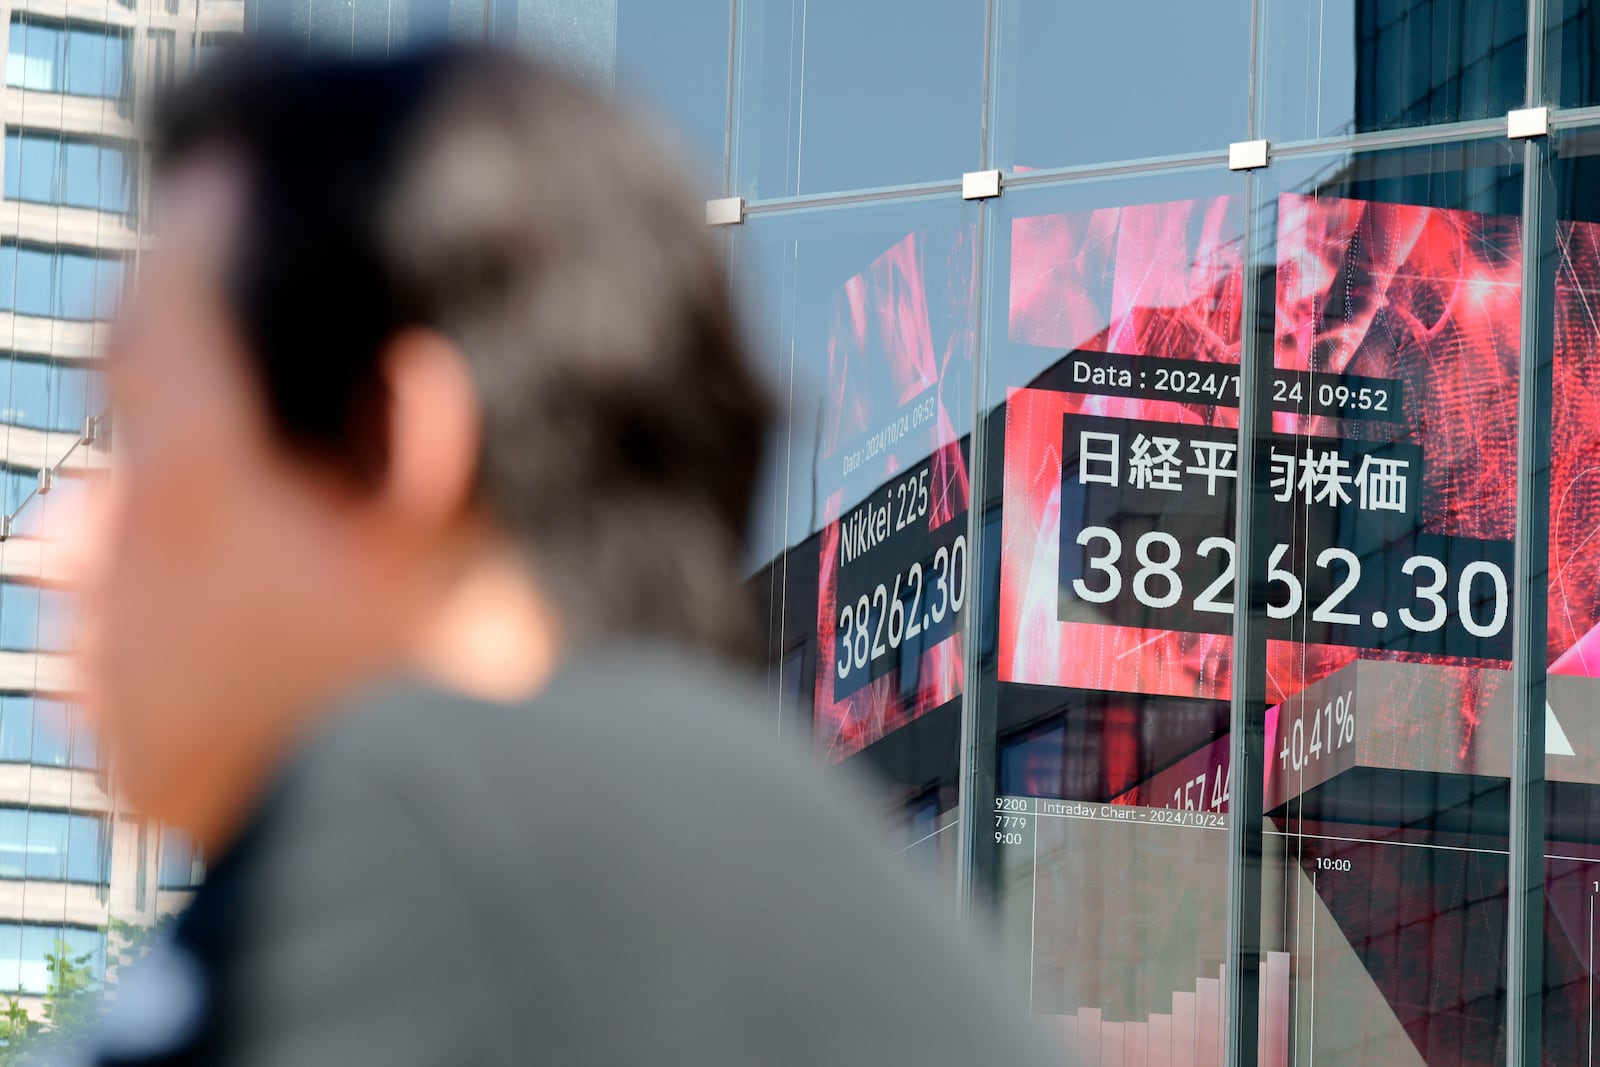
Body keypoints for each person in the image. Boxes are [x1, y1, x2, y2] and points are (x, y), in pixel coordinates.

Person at [65, 44, 1062, 1067]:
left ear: (390, 445)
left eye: (135, 425)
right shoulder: (692, 849)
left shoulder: (428, 821)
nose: (57, 545)